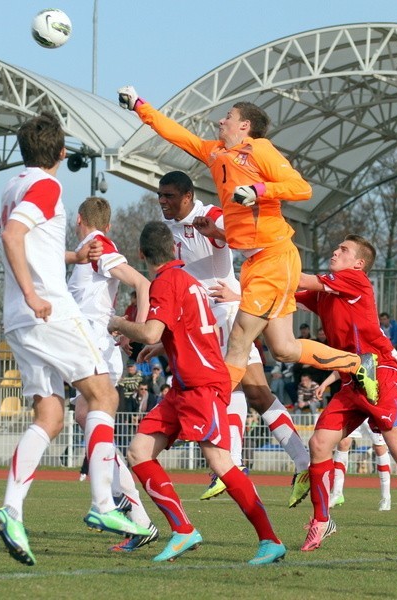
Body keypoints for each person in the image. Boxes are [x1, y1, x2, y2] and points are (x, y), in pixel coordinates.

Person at [117, 85, 379, 408]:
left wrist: (258, 190)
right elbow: (178, 135)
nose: (220, 121)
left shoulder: (259, 149)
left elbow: (302, 188)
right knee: (284, 348)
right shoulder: (216, 153)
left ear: (244, 126)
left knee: (239, 338)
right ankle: (357, 363)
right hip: (257, 261)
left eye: (228, 116)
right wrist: (140, 106)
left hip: (275, 258)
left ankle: (209, 405)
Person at [0, 112, 150, 567]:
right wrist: (33, 292)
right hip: (48, 310)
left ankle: (12, 510)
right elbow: (13, 235)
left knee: (51, 413)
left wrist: (75, 255)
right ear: (62, 152)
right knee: (102, 393)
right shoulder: (49, 185)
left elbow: (26, 238)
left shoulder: (12, 185)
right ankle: (103, 503)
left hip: (17, 321)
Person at [108, 220, 285, 565]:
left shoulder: (165, 283)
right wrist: (162, 349)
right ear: (174, 250)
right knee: (139, 452)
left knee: (220, 462)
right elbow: (189, 328)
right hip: (184, 386)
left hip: (202, 386)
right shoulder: (187, 281)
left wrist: (116, 322)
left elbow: (148, 331)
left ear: (141, 253)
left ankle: (270, 539)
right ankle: (183, 530)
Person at [155, 170, 310, 507]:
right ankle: (298, 461)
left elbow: (255, 245)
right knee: (251, 391)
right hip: (204, 318)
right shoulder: (168, 225)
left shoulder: (209, 215)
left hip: (225, 314)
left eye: (169, 196)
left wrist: (237, 289)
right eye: (160, 196)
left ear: (187, 196)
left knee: (237, 388)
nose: (163, 202)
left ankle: (239, 463)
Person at [295, 234, 397, 552]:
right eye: (337, 247)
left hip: (379, 370)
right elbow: (291, 292)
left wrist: (274, 256)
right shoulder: (329, 292)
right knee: (319, 444)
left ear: (358, 263)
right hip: (351, 377)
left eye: (343, 250)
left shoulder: (354, 279)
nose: (335, 251)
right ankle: (321, 520)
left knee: (396, 444)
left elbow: (299, 278)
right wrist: (238, 291)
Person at [66, 195, 157, 553]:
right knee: (84, 415)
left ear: (78, 219)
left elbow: (141, 282)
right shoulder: (88, 246)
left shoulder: (98, 246)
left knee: (89, 414)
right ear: (107, 223)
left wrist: (136, 327)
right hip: (88, 345)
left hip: (98, 346)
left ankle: (122, 506)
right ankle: (130, 511)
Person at [316, 371, 392, 511]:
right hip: (353, 403)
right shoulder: (351, 351)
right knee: (343, 442)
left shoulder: (380, 351)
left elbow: (395, 366)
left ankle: (385, 497)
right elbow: (341, 368)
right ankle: (337, 493)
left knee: (380, 447)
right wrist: (325, 384)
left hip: (373, 404)